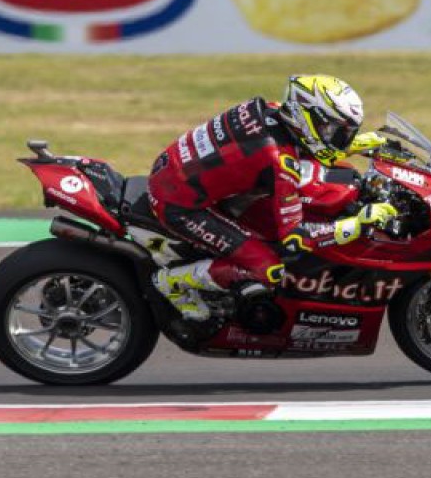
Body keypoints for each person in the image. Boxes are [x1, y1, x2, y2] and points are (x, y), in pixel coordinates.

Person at [146, 74, 396, 321]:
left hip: (176, 172)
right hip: (179, 206)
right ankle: (173, 282)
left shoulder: (274, 112)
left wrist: (356, 144)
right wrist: (357, 224)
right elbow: (295, 237)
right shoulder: (279, 162)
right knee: (269, 269)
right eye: (333, 130)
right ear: (304, 116)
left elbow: (307, 146)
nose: (340, 138)